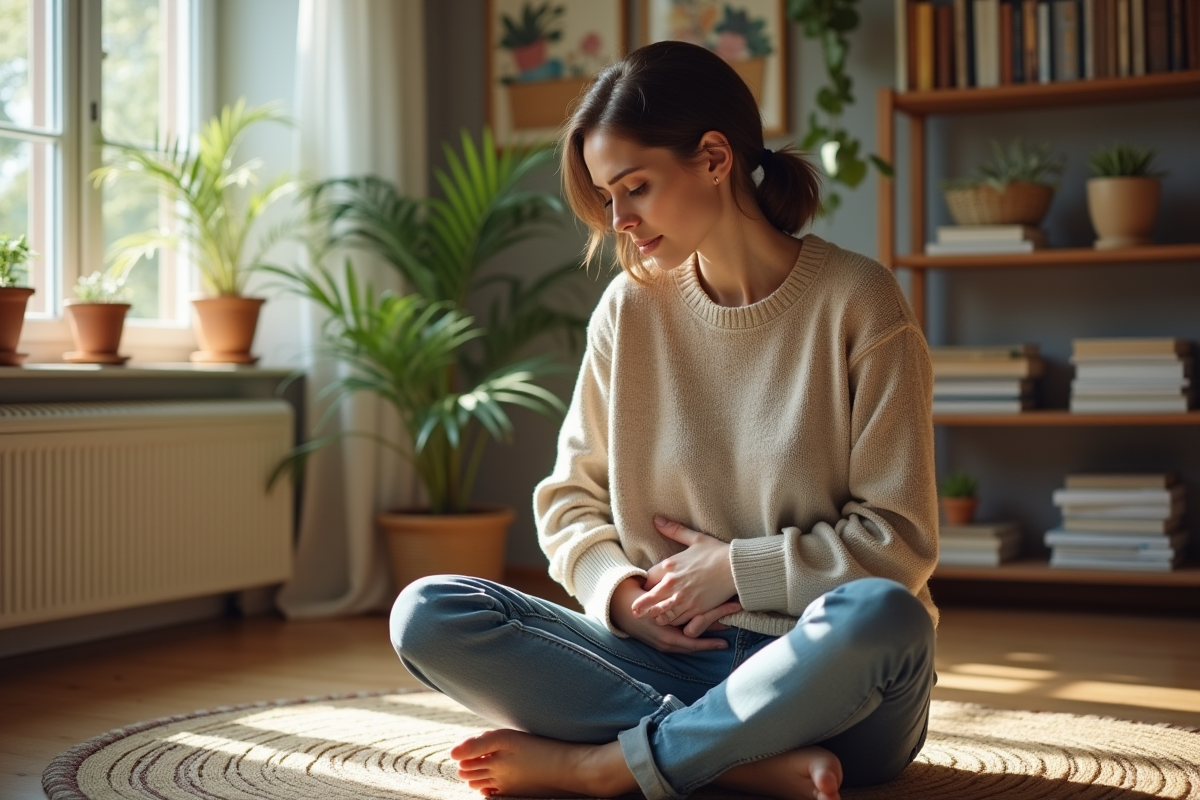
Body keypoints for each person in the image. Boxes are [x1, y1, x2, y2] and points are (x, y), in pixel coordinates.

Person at [390, 40, 939, 800]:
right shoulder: (629, 308)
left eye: (635, 187)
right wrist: (619, 595)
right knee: (428, 612)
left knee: (886, 618)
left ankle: (607, 765)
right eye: (606, 197)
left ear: (714, 158)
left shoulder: (859, 302)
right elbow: (568, 502)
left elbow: (899, 541)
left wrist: (734, 568)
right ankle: (730, 758)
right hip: (662, 661)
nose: (620, 220)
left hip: (823, 679)